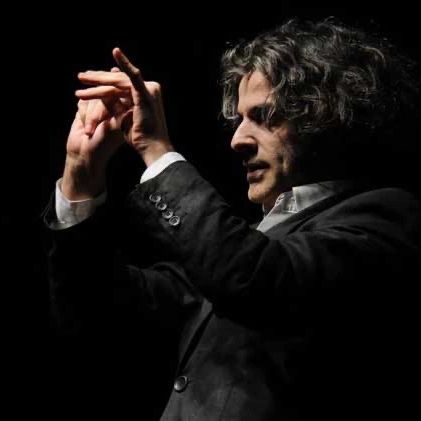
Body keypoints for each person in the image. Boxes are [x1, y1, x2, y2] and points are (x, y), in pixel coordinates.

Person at [44, 18, 421, 420]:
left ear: (329, 116)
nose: (237, 139)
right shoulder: (257, 240)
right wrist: (81, 175)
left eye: (264, 115)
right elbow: (99, 312)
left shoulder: (387, 217)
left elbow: (253, 277)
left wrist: (155, 149)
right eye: (239, 119)